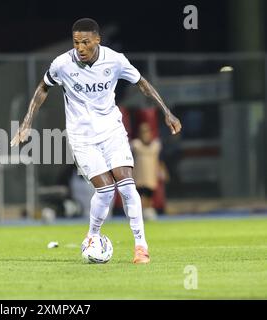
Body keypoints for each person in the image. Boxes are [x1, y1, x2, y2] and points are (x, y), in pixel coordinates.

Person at [11, 18, 182, 264]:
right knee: (104, 190)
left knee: (126, 186)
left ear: (97, 40)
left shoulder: (115, 60)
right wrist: (27, 122)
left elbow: (142, 84)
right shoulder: (62, 64)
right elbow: (42, 88)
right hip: (82, 138)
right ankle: (92, 235)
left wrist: (166, 112)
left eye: (85, 43)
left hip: (112, 131)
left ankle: (141, 246)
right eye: (76, 42)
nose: (80, 48)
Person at [131, 122, 167, 221]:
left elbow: (160, 160)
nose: (145, 134)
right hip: (138, 177)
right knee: (139, 197)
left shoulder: (156, 145)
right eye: (143, 132)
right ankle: (139, 215)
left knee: (149, 197)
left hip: (150, 177)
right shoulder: (135, 145)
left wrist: (163, 171)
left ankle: (148, 213)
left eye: (147, 131)